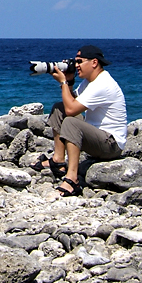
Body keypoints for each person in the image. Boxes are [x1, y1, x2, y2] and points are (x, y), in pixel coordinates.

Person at [36, 45, 127, 196]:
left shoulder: (102, 84)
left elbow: (72, 110)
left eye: (80, 61)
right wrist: (70, 81)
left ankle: (72, 179)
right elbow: (73, 103)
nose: (76, 65)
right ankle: (58, 161)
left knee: (71, 121)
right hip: (99, 136)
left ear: (94, 63)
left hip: (111, 145)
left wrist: (63, 83)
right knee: (60, 109)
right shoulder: (90, 81)